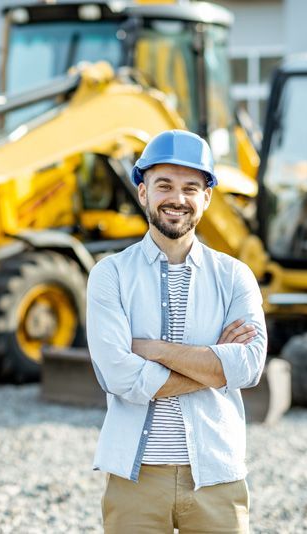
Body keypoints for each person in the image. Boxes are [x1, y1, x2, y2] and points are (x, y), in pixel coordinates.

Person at [86, 129, 267, 533]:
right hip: (135, 478)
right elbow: (119, 375)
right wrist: (212, 362)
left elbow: (248, 366)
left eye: (191, 187)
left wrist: (152, 349)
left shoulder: (235, 276)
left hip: (216, 473)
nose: (177, 199)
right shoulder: (110, 276)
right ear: (143, 192)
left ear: (206, 197)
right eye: (164, 185)